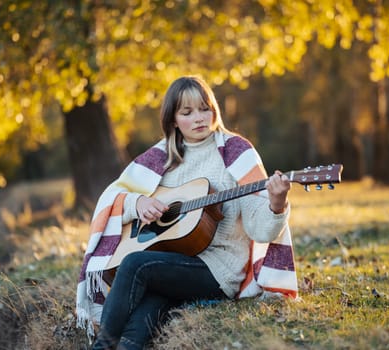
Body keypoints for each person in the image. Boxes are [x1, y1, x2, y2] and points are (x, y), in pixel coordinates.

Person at [76, 76, 298, 350]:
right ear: (172, 121)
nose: (199, 118)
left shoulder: (236, 152)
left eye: (205, 108)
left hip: (218, 270)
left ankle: (100, 347)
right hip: (171, 263)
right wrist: (138, 203)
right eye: (187, 112)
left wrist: (277, 202)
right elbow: (112, 199)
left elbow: (260, 228)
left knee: (135, 264)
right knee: (143, 317)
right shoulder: (160, 158)